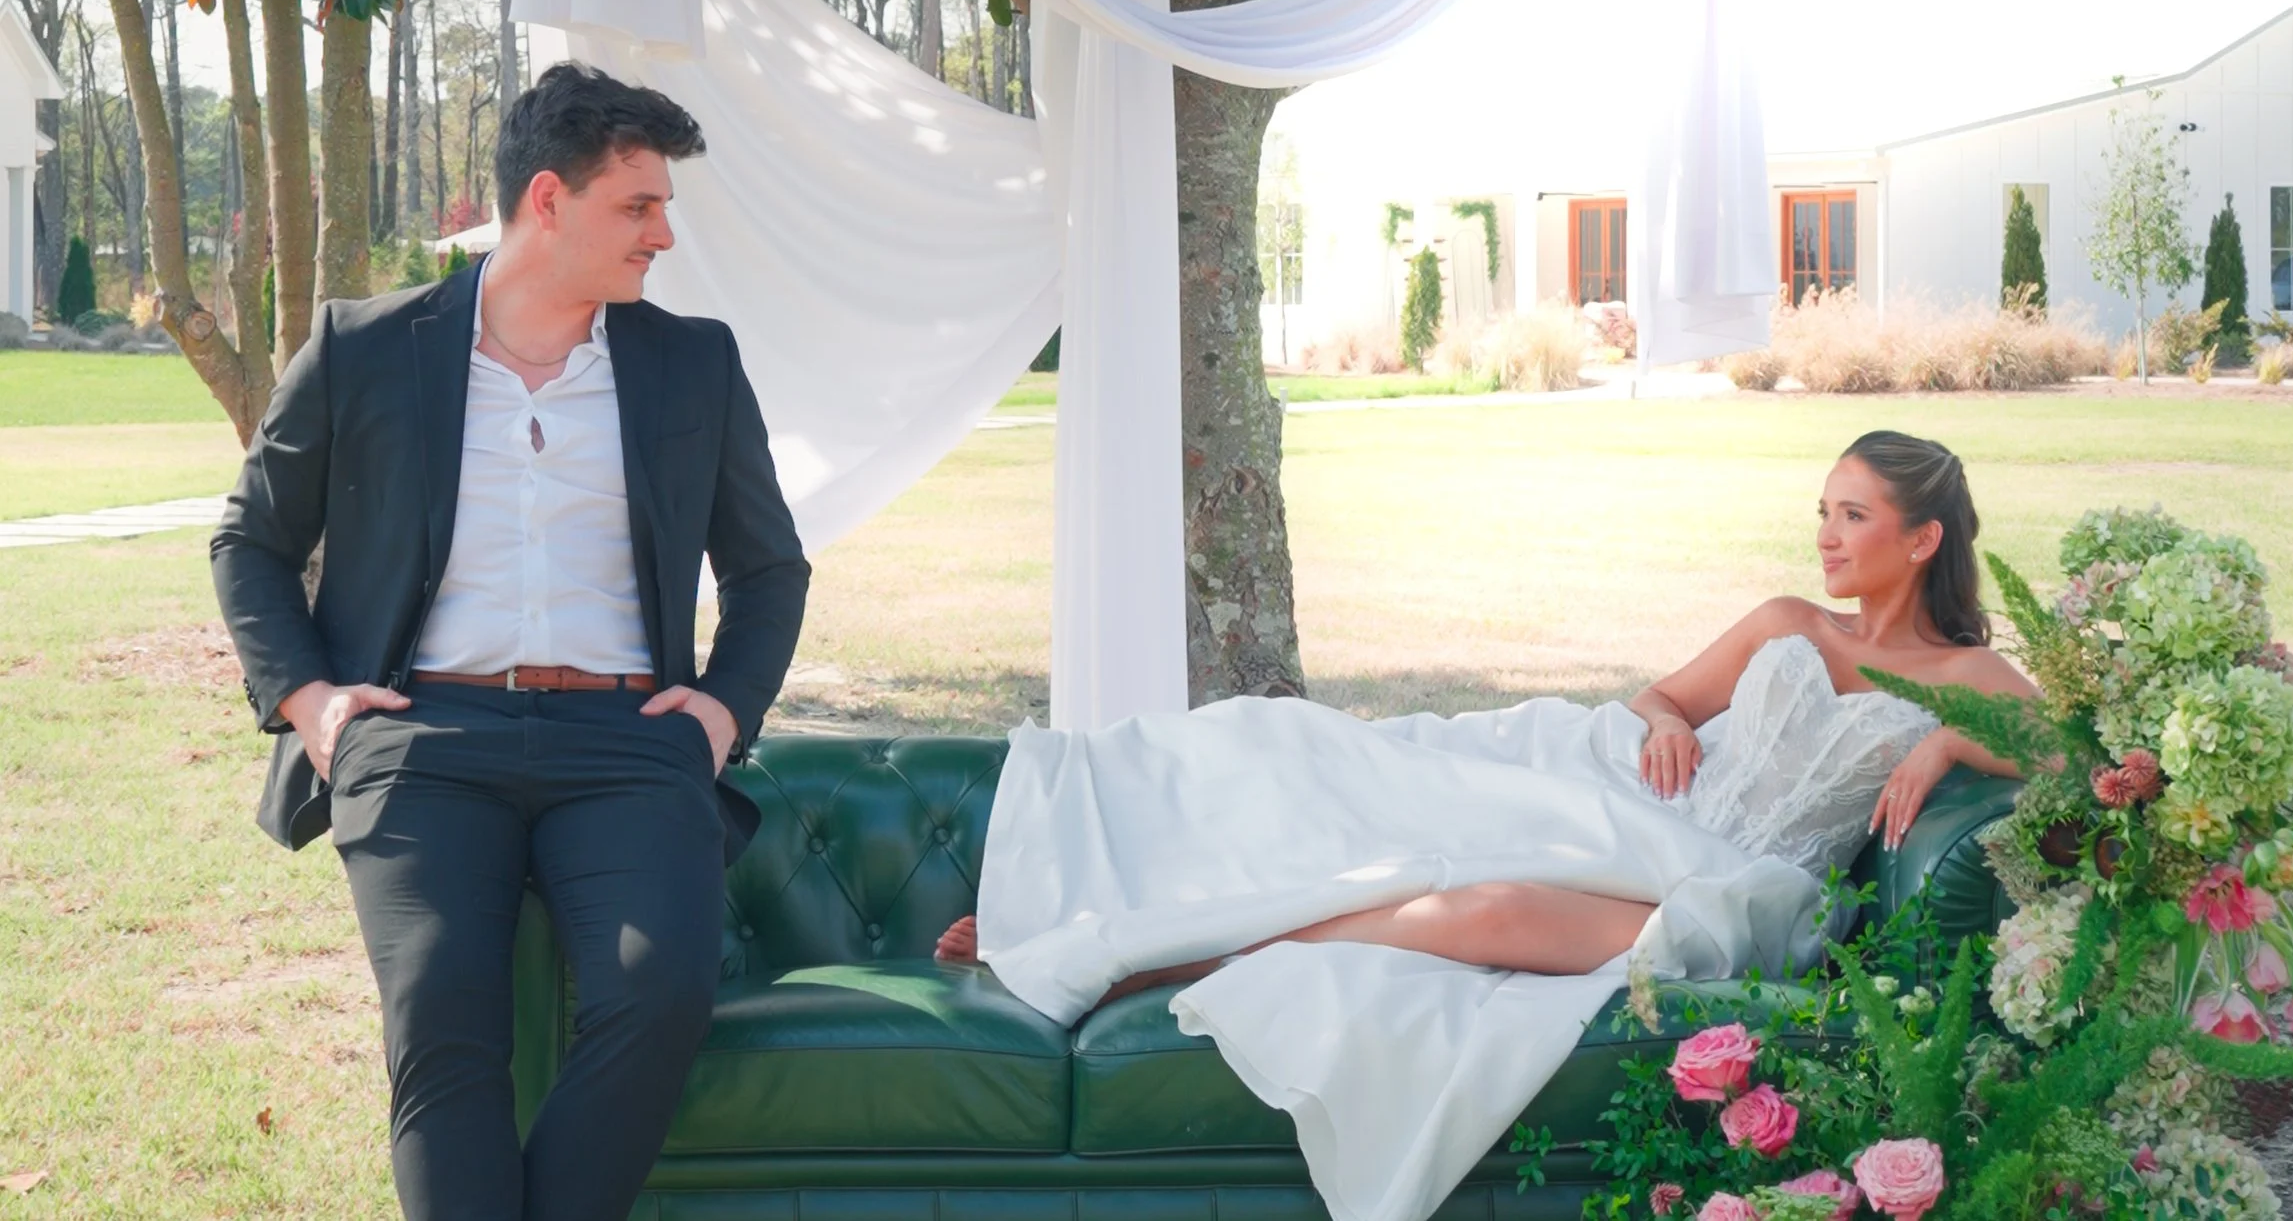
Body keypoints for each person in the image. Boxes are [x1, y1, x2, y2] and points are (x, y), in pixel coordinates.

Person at [209, 63, 810, 1221]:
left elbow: (769, 565)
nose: (664, 235)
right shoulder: (365, 349)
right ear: (549, 199)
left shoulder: (693, 362)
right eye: (639, 206)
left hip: (629, 734)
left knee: (661, 989)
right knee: (440, 1013)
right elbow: (250, 542)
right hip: (424, 729)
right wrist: (311, 701)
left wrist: (725, 708)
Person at [936, 429, 2037, 995]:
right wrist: (1660, 720)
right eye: (1823, 511)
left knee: (1487, 907)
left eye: (1853, 515)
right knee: (1319, 755)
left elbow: (2085, 755)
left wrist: (1942, 736)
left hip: (1743, 887)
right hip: (1632, 794)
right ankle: (1096, 901)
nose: (1827, 536)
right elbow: (1665, 694)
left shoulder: (1969, 676)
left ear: (1923, 535)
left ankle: (1147, 956)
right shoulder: (1788, 617)